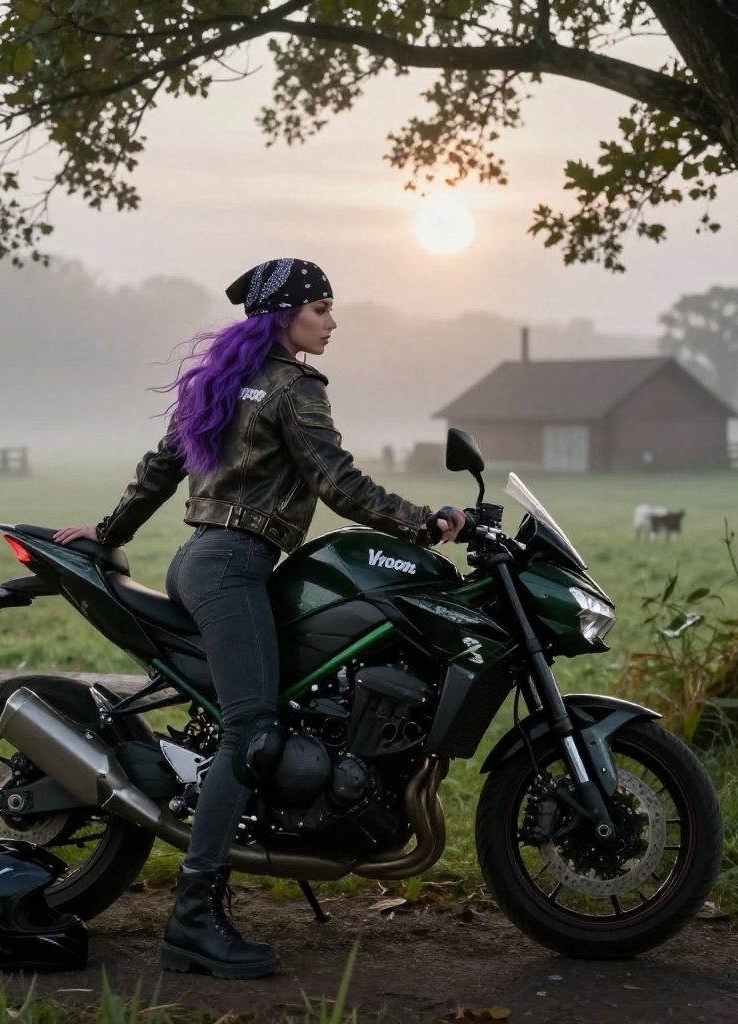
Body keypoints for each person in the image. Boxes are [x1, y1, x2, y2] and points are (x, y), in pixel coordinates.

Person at [53, 257, 466, 980]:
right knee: (252, 731)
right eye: (323, 310)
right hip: (234, 566)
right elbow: (338, 482)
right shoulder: (295, 388)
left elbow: (160, 469)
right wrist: (425, 523)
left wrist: (110, 531)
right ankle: (193, 922)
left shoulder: (224, 382)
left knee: (270, 712)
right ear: (287, 315)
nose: (332, 324)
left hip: (206, 560)